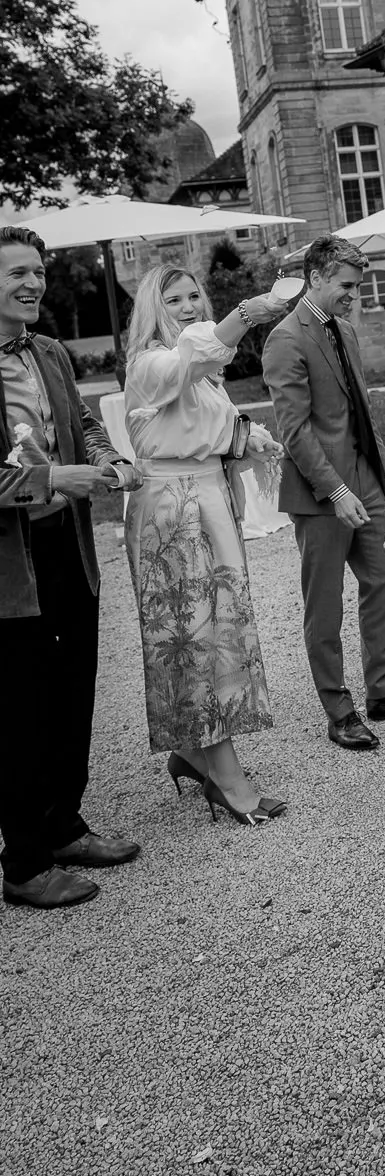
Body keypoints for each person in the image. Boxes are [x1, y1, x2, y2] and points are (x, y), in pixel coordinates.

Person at [0, 226, 142, 909]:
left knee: (71, 692)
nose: (32, 283)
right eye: (16, 273)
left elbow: (84, 423)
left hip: (68, 552)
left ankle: (64, 826)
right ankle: (23, 864)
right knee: (20, 712)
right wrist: (55, 477)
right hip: (9, 567)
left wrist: (109, 460)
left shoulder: (50, 351)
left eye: (37, 271)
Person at [263, 236, 385, 751]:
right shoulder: (284, 339)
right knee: (323, 606)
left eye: (358, 286)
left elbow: (358, 409)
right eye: (346, 285)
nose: (354, 295)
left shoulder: (344, 329)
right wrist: (336, 490)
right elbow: (294, 431)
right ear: (315, 277)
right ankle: (338, 709)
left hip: (366, 479)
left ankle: (384, 691)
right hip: (321, 492)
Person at [122, 267, 288, 824]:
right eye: (175, 298)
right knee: (196, 638)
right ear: (154, 306)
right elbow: (191, 361)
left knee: (221, 631)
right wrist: (250, 312)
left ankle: (193, 752)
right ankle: (229, 780)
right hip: (174, 512)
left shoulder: (202, 373)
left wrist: (249, 438)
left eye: (195, 295)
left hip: (209, 499)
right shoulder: (151, 363)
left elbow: (206, 421)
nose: (189, 305)